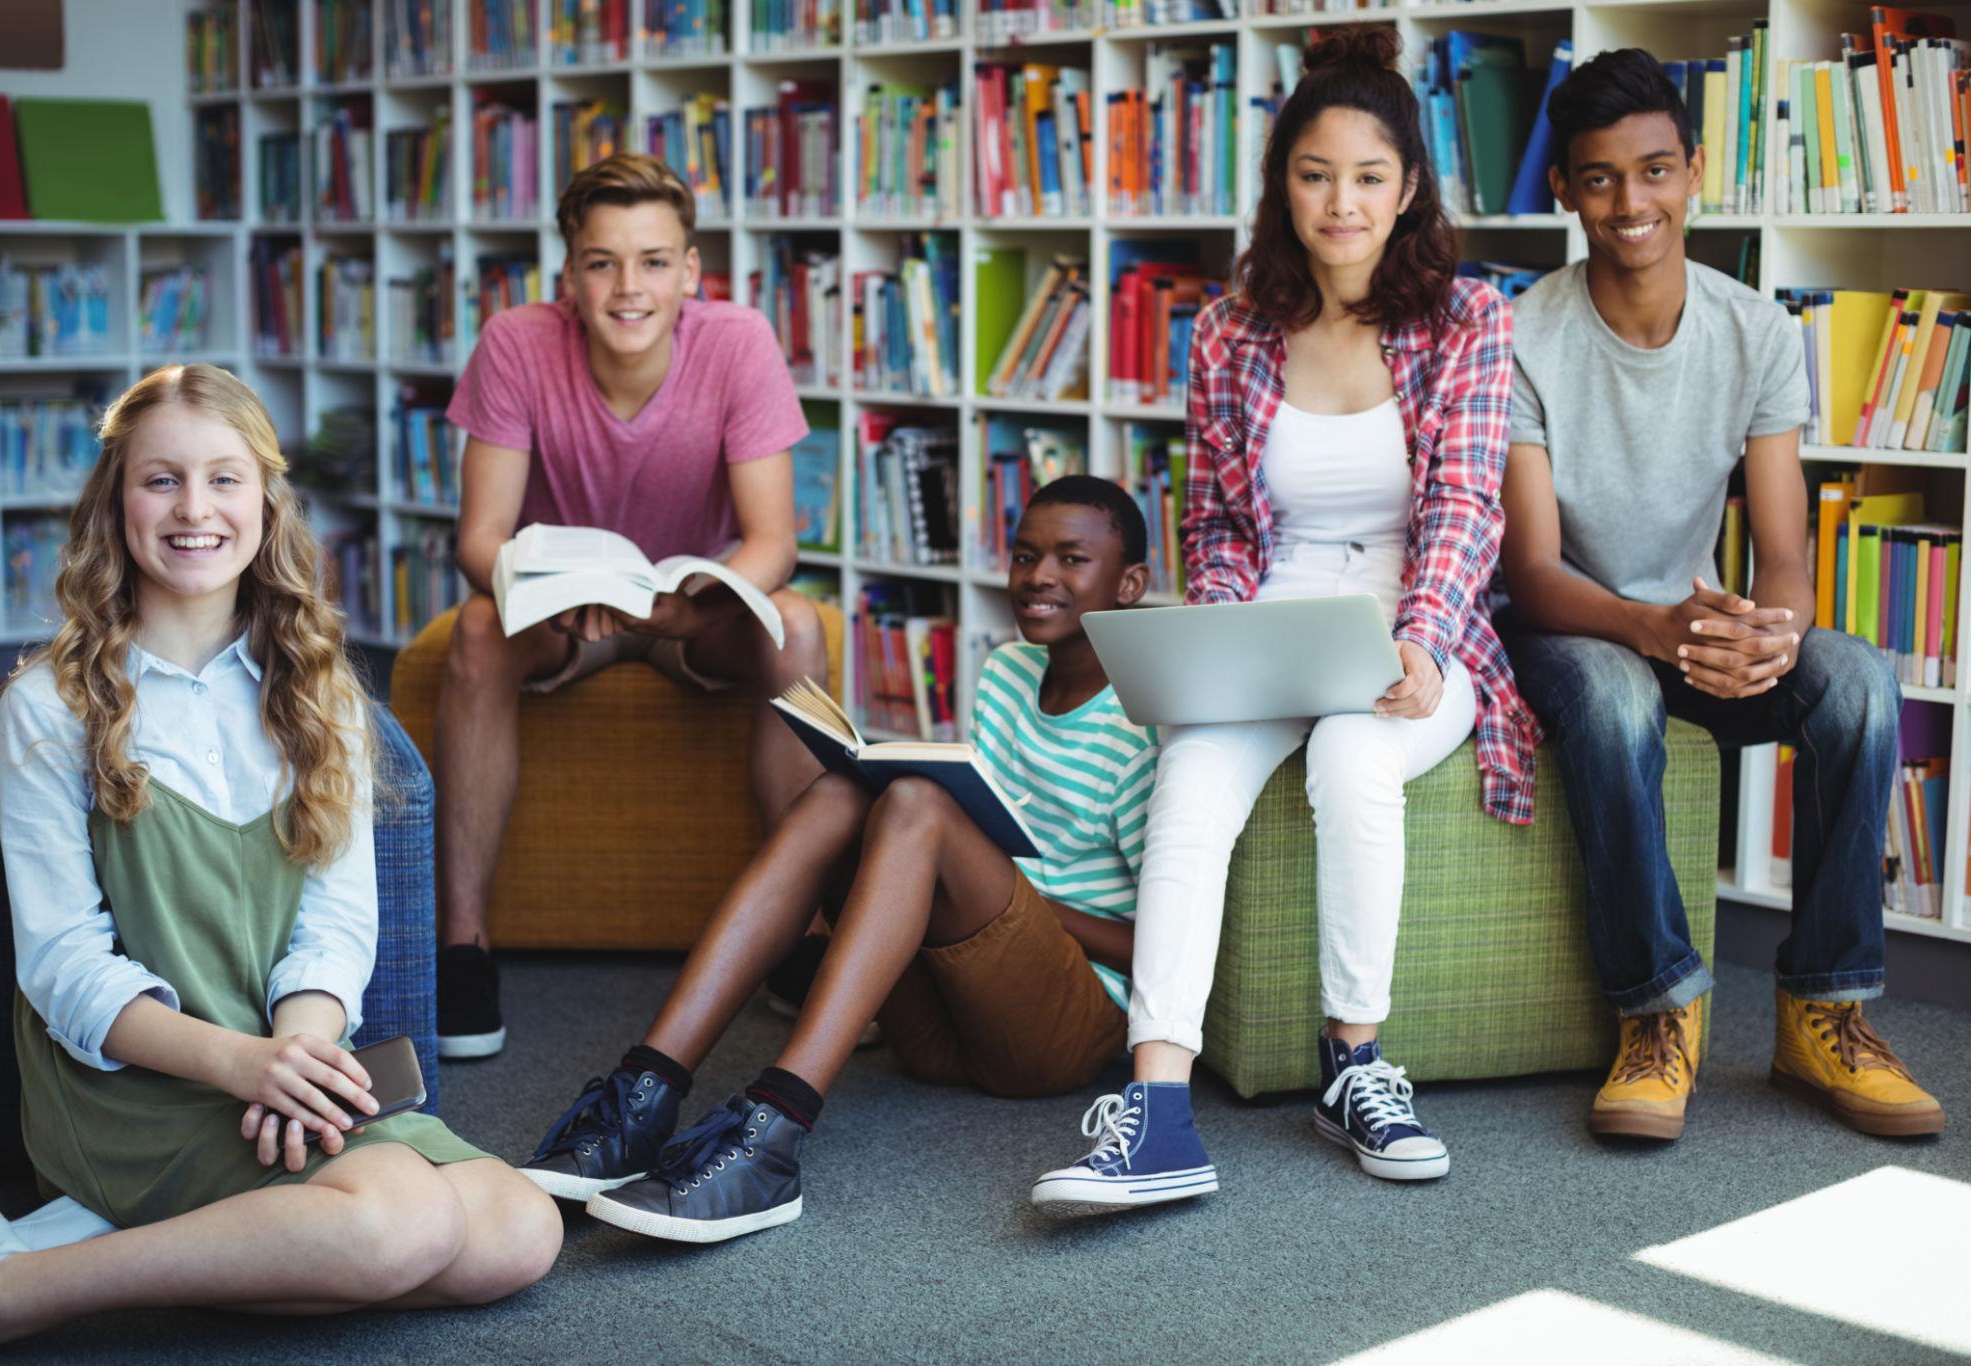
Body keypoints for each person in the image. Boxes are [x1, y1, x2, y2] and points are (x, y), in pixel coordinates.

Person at [0, 366, 560, 1363]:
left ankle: (153, 1245)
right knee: (405, 1220)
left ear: (264, 499)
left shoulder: (321, 693)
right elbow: (63, 969)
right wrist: (239, 1063)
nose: (194, 508)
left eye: (224, 478)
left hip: (278, 1061)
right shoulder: (49, 707)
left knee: (522, 1230)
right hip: (137, 1084)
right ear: (116, 500)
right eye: (160, 479)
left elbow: (336, 925)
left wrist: (295, 1057)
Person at [1031, 27, 1536, 1208]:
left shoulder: (1468, 318)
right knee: (1192, 768)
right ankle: (1156, 1105)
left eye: (1367, 176)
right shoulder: (1228, 329)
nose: (1339, 202)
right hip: (1270, 621)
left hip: (1415, 630)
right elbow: (1209, 520)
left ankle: (1354, 1062)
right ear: (1281, 185)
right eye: (1314, 175)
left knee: (1354, 757)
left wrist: (1419, 637)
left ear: (1408, 186)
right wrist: (1219, 635)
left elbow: (1465, 502)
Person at [514, 477, 1159, 1241]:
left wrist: (1013, 898)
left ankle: (774, 1136)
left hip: (1058, 1032)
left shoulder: (1145, 718)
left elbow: (1166, 944)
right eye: (1024, 555)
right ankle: (641, 1093)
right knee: (841, 792)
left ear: (1129, 584)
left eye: (1071, 559)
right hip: (948, 1024)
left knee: (918, 806)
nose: (1039, 576)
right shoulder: (1005, 674)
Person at [1497, 48, 1944, 1141]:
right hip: (1577, 630)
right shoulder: (1520, 334)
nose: (1629, 202)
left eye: (1653, 171)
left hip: (1696, 630)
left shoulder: (1754, 330)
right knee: (1612, 696)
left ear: (1693, 171)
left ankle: (1822, 1010)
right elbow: (1532, 573)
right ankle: (1657, 1012)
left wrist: (1770, 636)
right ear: (1560, 188)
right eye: (1597, 178)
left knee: (1856, 681)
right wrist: (1648, 623)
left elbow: (1783, 550)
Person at [435, 151, 829, 1058]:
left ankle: (801, 936)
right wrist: (559, 593)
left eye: (654, 261)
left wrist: (692, 605)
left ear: (691, 271)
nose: (629, 287)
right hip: (565, 614)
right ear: (568, 274)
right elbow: (480, 538)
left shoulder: (738, 342)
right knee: (479, 629)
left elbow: (773, 538)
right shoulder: (515, 342)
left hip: (689, 612)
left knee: (799, 624)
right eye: (603, 262)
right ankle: (465, 945)